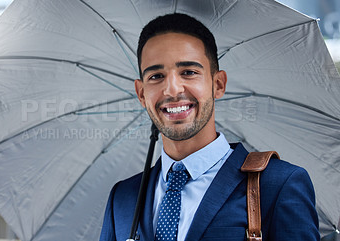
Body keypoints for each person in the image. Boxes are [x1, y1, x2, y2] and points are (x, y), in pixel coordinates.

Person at [100, 13, 319, 241]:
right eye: (156, 76)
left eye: (188, 72)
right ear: (142, 93)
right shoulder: (123, 198)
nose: (172, 90)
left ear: (218, 84)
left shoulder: (278, 185)